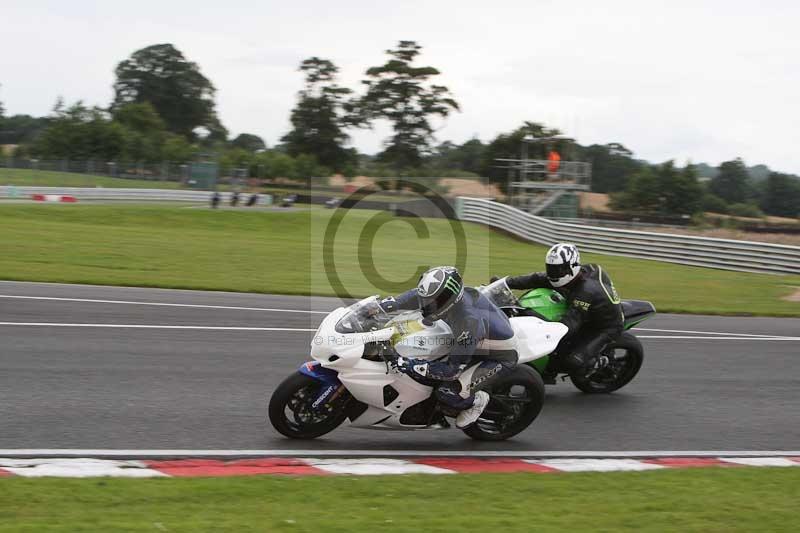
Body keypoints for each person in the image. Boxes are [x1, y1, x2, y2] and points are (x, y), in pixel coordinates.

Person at [379, 266, 518, 428]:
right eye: (427, 300)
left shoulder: (468, 324)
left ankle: (478, 401)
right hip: (473, 341)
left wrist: (411, 365)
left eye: (434, 301)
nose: (427, 305)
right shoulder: (448, 301)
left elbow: (452, 370)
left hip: (497, 356)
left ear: (451, 298)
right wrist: (389, 304)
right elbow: (418, 295)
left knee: (446, 392)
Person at [501, 243, 623, 380]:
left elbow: (566, 327)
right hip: (587, 313)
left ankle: (600, 362)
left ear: (573, 267)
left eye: (559, 270)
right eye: (551, 269)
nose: (554, 274)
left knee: (573, 362)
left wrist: (526, 312)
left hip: (604, 327)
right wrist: (505, 283)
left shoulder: (585, 293)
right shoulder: (569, 277)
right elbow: (534, 279)